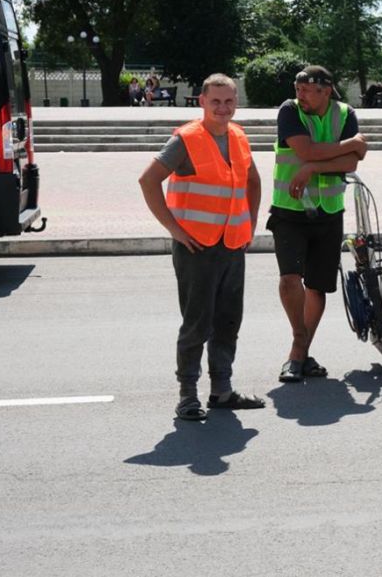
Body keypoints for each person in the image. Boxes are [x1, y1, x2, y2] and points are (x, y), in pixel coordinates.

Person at [138, 73, 265, 421]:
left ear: (236, 102)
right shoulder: (187, 139)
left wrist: (250, 223)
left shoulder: (238, 137)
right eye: (216, 102)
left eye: (229, 101)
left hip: (232, 244)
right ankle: (187, 396)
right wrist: (174, 230)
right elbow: (148, 181)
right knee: (197, 324)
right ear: (202, 103)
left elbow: (253, 181)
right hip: (196, 247)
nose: (223, 108)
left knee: (227, 322)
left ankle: (222, 391)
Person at [269, 65, 367, 382]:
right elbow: (309, 149)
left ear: (326, 90)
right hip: (290, 210)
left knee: (317, 287)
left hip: (329, 212)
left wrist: (311, 167)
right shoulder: (289, 110)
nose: (300, 95)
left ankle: (299, 355)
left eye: (306, 90)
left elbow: (351, 164)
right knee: (289, 280)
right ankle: (300, 348)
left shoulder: (345, 113)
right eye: (298, 89)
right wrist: (346, 146)